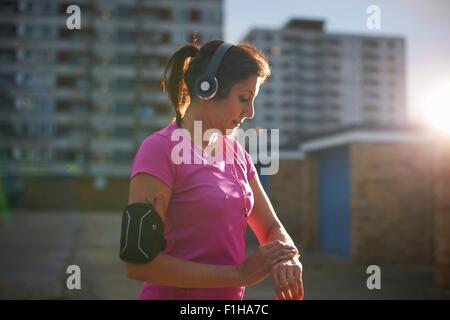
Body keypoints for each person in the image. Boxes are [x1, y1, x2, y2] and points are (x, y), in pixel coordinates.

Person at [122, 39, 304, 300]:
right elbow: (138, 263)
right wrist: (240, 275)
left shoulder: (237, 153)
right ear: (207, 89)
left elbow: (271, 227)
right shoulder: (159, 150)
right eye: (244, 98)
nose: (250, 112)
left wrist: (288, 257)